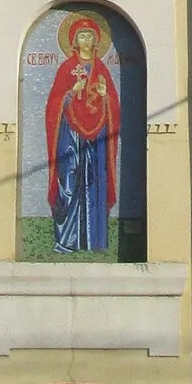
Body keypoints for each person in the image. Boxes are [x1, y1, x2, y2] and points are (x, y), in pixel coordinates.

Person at [44, 14, 120, 255]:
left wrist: (105, 94)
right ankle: (66, 240)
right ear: (74, 40)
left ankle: (95, 241)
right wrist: (69, 93)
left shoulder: (102, 70)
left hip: (97, 139)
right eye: (81, 35)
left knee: (95, 182)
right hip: (71, 136)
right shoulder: (67, 68)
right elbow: (53, 103)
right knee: (70, 180)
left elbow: (114, 104)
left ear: (96, 40)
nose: (85, 39)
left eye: (89, 35)